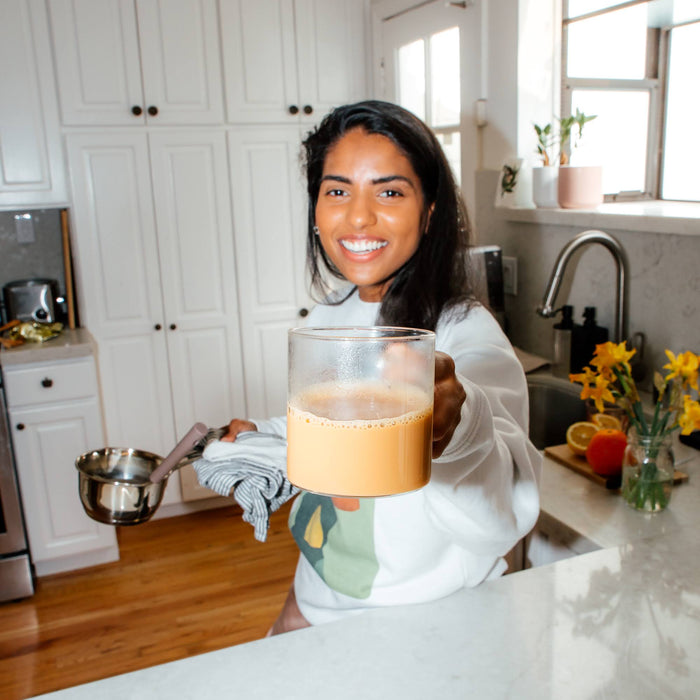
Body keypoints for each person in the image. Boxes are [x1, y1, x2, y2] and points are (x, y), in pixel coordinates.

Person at [223, 100, 542, 635]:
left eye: (389, 191)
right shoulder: (328, 317)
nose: (358, 216)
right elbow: (331, 429)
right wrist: (265, 436)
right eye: (337, 190)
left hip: (424, 623)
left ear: (431, 210)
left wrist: (456, 427)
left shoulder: (466, 334)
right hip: (319, 589)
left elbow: (500, 512)